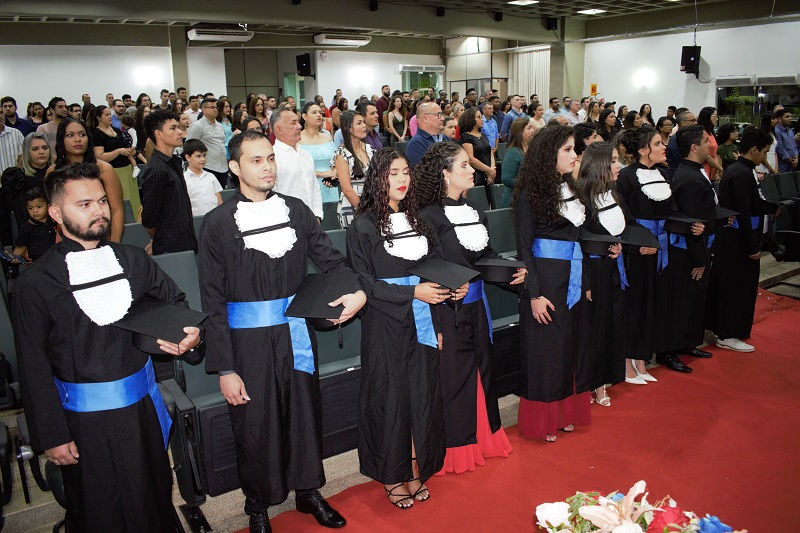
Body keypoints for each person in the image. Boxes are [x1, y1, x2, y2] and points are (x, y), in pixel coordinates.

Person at [13, 162, 201, 532]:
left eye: (101, 200)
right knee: (101, 507)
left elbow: (173, 303)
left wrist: (189, 334)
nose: (98, 210)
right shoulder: (35, 283)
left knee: (155, 493)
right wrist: (52, 435)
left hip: (142, 409)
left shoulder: (131, 259)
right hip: (83, 422)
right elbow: (32, 364)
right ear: (55, 213)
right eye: (84, 204)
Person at [198, 130, 362, 532]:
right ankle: (257, 506)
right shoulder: (217, 224)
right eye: (256, 160)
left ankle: (307, 492)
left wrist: (354, 292)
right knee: (255, 426)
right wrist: (224, 368)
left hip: (296, 333)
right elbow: (212, 301)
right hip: (246, 343)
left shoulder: (297, 211)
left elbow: (332, 262)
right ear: (234, 167)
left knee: (306, 415)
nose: (267, 166)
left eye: (270, 157)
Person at [346, 147, 448, 509]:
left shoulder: (420, 220)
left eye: (406, 172)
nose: (402, 179)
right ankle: (392, 475)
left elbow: (435, 268)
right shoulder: (362, 226)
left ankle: (416, 465)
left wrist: (450, 289)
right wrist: (414, 291)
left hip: (422, 319)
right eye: (393, 173)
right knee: (390, 401)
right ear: (378, 178)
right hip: (384, 324)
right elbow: (367, 285)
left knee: (420, 396)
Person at [415, 142, 517, 475]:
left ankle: (484, 439)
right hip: (446, 309)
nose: (472, 169)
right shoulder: (428, 215)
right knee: (453, 380)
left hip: (477, 306)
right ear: (444, 174)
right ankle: (456, 449)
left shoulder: (475, 209)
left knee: (483, 375)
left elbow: (485, 254)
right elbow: (424, 265)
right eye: (463, 166)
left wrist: (513, 269)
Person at [512, 125, 592, 442]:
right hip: (544, 281)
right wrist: (534, 295)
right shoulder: (530, 194)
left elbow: (579, 240)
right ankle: (541, 420)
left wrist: (584, 280)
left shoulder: (572, 189)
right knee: (545, 351)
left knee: (568, 348)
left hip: (571, 277)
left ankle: (562, 414)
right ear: (549, 154)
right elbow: (524, 251)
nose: (574, 155)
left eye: (574, 149)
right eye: (567, 150)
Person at [615, 126, 686, 378]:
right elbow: (622, 219)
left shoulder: (665, 174)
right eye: (658, 144)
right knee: (635, 306)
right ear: (644, 150)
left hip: (663, 248)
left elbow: (672, 211)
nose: (663, 147)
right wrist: (637, 245)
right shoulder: (626, 177)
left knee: (654, 305)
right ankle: (627, 360)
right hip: (638, 251)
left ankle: (642, 358)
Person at [653, 125, 717, 371]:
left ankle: (685, 342)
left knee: (691, 300)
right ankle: (668, 351)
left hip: (697, 247)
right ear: (694, 147)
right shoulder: (687, 178)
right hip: (686, 251)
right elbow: (692, 222)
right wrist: (700, 259)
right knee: (678, 301)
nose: (709, 145)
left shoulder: (696, 171)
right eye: (705, 141)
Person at [706, 127, 773, 353]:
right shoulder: (741, 173)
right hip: (738, 240)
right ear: (753, 149)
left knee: (731, 286)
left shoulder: (740, 170)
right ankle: (728, 333)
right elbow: (742, 212)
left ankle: (724, 329)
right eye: (764, 152)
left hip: (737, 236)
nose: (764, 157)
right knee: (736, 288)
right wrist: (753, 246)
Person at [575, 143, 625, 406]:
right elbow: (577, 239)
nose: (618, 165)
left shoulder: (614, 192)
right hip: (591, 271)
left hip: (612, 268)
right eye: (613, 161)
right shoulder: (581, 197)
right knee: (593, 328)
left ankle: (605, 379)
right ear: (599, 165)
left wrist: (619, 245)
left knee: (610, 323)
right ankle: (591, 382)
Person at [47, 119, 125, 242]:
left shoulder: (104, 169)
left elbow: (117, 210)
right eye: (70, 135)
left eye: (82, 134)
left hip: (101, 235)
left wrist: (115, 245)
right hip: (66, 239)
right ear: (61, 140)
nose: (78, 139)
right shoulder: (53, 172)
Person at [140, 109, 197, 255]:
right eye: (173, 128)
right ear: (159, 134)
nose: (179, 132)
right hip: (170, 247)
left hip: (186, 239)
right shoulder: (156, 169)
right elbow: (149, 218)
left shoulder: (174, 162)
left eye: (178, 127)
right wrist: (156, 240)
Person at [0, 132, 52, 247]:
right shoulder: (18, 179)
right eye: (35, 149)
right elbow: (8, 216)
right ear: (27, 152)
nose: (41, 152)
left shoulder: (57, 173)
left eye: (45, 147)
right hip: (32, 238)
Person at [272, 107, 324, 220]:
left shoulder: (305, 154)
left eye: (298, 122)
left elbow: (314, 187)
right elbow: (271, 194)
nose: (299, 126)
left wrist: (317, 215)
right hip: (286, 221)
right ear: (279, 129)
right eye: (293, 123)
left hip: (311, 221)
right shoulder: (272, 157)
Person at [92, 105, 140, 218]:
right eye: (106, 115)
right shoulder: (96, 134)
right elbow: (100, 156)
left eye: (110, 114)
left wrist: (130, 151)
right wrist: (118, 151)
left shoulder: (117, 131)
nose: (110, 117)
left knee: (133, 198)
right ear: (99, 117)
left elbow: (125, 148)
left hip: (127, 168)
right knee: (124, 199)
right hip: (114, 171)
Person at [331, 110, 375, 228]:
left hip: (372, 204)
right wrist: (365, 211)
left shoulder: (369, 149)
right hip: (352, 208)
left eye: (363, 122)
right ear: (348, 128)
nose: (364, 126)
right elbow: (347, 189)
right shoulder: (342, 154)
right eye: (359, 123)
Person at [298, 102, 338, 204]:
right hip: (309, 188)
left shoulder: (327, 136)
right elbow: (297, 169)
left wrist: (333, 174)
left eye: (320, 112)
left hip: (330, 186)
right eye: (314, 112)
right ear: (304, 116)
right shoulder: (297, 139)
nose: (319, 115)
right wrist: (321, 174)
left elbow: (335, 160)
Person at [186, 98, 228, 189]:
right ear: (204, 110)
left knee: (221, 195)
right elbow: (189, 145)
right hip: (208, 166)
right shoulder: (198, 125)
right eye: (212, 107)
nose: (216, 109)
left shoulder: (220, 126)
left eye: (216, 107)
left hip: (223, 166)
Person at [10, 187, 59, 262]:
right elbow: (21, 246)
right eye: (30, 208)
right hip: (36, 262)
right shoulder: (26, 227)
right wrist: (15, 257)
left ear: (48, 206)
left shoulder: (55, 221)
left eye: (39, 207)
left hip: (56, 259)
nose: (35, 211)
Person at [459, 107, 496, 208]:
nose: (482, 119)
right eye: (479, 117)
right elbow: (471, 159)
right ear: (471, 119)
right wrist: (489, 170)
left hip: (489, 174)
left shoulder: (483, 135)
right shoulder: (466, 136)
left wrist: (492, 169)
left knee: (491, 204)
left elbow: (490, 153)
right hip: (476, 175)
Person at [500, 117, 536, 209]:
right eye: (529, 128)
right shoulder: (512, 152)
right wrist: (528, 183)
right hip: (515, 200)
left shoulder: (532, 149)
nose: (533, 130)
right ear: (520, 133)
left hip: (531, 198)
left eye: (532, 127)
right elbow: (506, 179)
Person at [182, 139, 223, 217]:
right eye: (198, 156)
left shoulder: (211, 176)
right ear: (188, 157)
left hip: (213, 219)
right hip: (194, 219)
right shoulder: (184, 179)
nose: (202, 159)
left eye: (204, 155)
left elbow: (219, 200)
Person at [406, 102, 444, 167]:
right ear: (425, 119)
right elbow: (423, 174)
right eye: (438, 115)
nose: (443, 118)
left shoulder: (445, 138)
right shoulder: (416, 144)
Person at [666, 110, 697, 177]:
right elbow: (679, 162)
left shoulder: (689, 137)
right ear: (683, 123)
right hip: (679, 175)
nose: (695, 123)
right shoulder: (675, 140)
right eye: (692, 121)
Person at [698, 107, 724, 181]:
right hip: (705, 168)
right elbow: (706, 156)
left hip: (713, 169)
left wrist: (717, 171)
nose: (717, 119)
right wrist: (720, 169)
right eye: (715, 116)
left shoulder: (710, 132)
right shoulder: (702, 133)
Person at [773, 108, 798, 172]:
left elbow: (794, 146)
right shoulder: (776, 131)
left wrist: (796, 159)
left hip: (792, 166)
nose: (790, 118)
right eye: (787, 117)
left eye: (790, 116)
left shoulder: (790, 131)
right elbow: (780, 149)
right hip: (782, 166)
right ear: (779, 119)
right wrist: (791, 161)